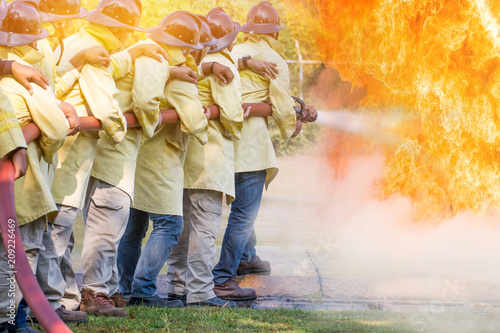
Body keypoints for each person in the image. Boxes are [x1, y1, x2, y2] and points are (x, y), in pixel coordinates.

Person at [212, 1, 317, 301]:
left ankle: (248, 257)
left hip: (224, 142)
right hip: (250, 146)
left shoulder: (232, 53)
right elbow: (282, 103)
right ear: (275, 32)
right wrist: (294, 124)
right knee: (245, 213)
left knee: (244, 205)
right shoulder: (273, 59)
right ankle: (224, 278)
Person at [117, 11, 209, 308]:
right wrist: (206, 119)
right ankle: (143, 290)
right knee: (170, 224)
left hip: (136, 156)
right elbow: (195, 122)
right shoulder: (178, 68)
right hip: (162, 159)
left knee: (134, 226)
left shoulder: (147, 56)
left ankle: (125, 287)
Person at [0, 1, 72, 332]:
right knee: (18, 253)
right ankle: (8, 319)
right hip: (20, 186)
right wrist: (39, 139)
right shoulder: (24, 81)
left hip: (10, 181)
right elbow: (57, 128)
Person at [165, 10, 245, 308]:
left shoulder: (193, 64)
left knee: (183, 230)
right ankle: (200, 292)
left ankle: (177, 287)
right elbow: (233, 116)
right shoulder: (223, 66)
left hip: (185, 158)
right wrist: (237, 116)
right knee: (204, 230)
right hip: (210, 160)